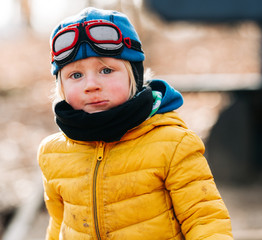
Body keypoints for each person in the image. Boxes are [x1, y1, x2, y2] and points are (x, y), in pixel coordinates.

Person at [37, 7, 233, 240]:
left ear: (135, 76)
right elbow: (59, 225)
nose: (91, 84)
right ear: (61, 86)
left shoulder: (174, 145)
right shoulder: (53, 154)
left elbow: (205, 220)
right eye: (76, 75)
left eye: (106, 70)